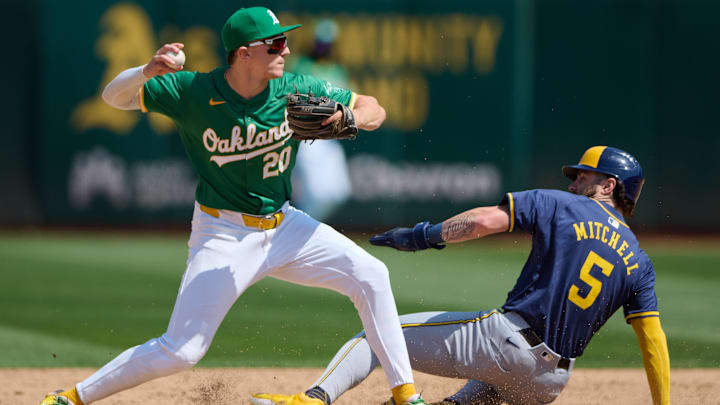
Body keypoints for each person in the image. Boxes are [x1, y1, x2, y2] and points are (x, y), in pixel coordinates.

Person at [40, 7, 426, 405]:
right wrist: (145, 70)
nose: (286, 50)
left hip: (285, 226)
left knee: (372, 274)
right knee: (182, 350)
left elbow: (374, 106)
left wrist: (351, 116)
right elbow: (112, 97)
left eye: (286, 41)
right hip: (222, 233)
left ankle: (405, 394)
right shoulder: (192, 91)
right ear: (244, 53)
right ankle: (71, 397)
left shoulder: (293, 88)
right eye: (275, 43)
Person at [262, 146, 670, 405]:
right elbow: (652, 340)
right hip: (548, 384)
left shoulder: (561, 205)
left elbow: (483, 222)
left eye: (585, 176)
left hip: (506, 344)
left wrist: (424, 236)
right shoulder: (639, 261)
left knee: (376, 336)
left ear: (609, 185)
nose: (576, 180)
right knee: (484, 392)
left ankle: (312, 400)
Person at [289, 18, 353, 221]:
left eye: (327, 43)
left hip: (329, 138)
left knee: (339, 192)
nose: (323, 47)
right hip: (306, 137)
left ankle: (299, 230)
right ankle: (297, 233)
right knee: (316, 194)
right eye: (320, 42)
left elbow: (347, 104)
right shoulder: (299, 65)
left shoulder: (337, 70)